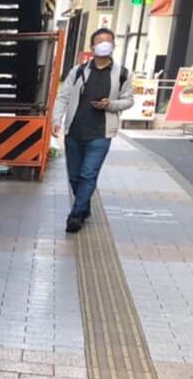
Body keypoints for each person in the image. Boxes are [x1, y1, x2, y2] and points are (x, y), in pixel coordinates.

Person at [51, 28, 134, 233]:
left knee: (88, 174)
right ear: (92, 46)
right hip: (75, 130)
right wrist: (56, 120)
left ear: (114, 46)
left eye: (108, 41)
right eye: (100, 41)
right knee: (74, 175)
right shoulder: (78, 71)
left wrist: (110, 104)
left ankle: (76, 214)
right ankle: (84, 206)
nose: (104, 44)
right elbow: (64, 96)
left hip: (101, 133)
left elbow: (129, 100)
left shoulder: (122, 74)